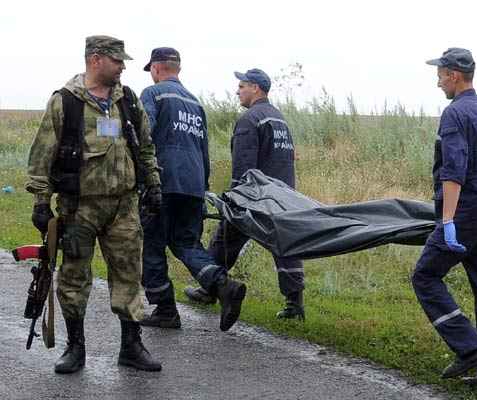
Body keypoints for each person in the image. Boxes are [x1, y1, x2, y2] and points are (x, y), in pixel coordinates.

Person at [26, 35, 163, 373]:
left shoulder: (127, 100)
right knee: (74, 277)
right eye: (117, 61)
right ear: (96, 59)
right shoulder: (65, 102)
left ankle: (131, 346)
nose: (122, 67)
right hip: (79, 208)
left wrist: (154, 185)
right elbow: (41, 156)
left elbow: (145, 146)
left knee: (129, 275)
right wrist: (41, 202)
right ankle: (76, 348)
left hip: (123, 206)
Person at [411, 48, 477, 390]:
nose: (437, 81)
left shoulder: (455, 113)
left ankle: (469, 348)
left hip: (467, 214)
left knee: (425, 276)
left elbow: (454, 171)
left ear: (453, 74)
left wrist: (449, 220)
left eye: (440, 74)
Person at [184, 69, 305, 320]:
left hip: (254, 198)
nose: (237, 91)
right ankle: (295, 304)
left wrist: (235, 198)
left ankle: (209, 289)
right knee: (286, 247)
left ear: (256, 89)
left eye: (242, 86)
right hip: (283, 196)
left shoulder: (250, 119)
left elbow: (244, 165)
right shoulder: (278, 118)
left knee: (224, 239)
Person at [137, 47, 220, 329]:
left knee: (153, 244)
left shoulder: (153, 94)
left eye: (151, 70)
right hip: (194, 185)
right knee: (187, 242)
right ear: (178, 69)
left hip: (162, 182)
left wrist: (138, 177)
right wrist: (203, 187)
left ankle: (165, 309)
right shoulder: (195, 103)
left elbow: (143, 134)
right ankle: (223, 284)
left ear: (156, 68)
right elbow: (203, 150)